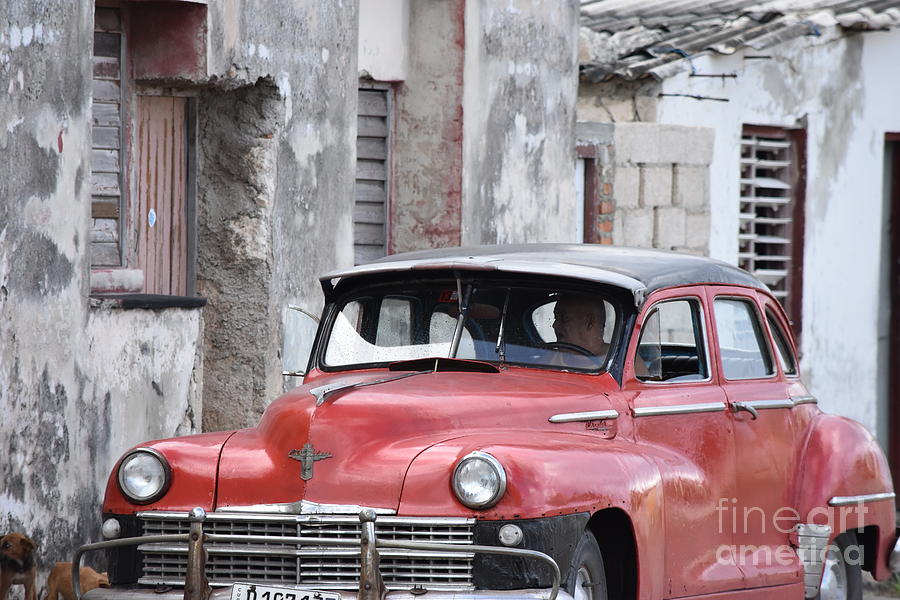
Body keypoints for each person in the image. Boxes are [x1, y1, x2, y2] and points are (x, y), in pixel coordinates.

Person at [551, 294, 609, 362]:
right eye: (556, 318)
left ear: (590, 322)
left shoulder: (618, 362)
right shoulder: (545, 359)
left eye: (564, 318)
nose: (554, 325)